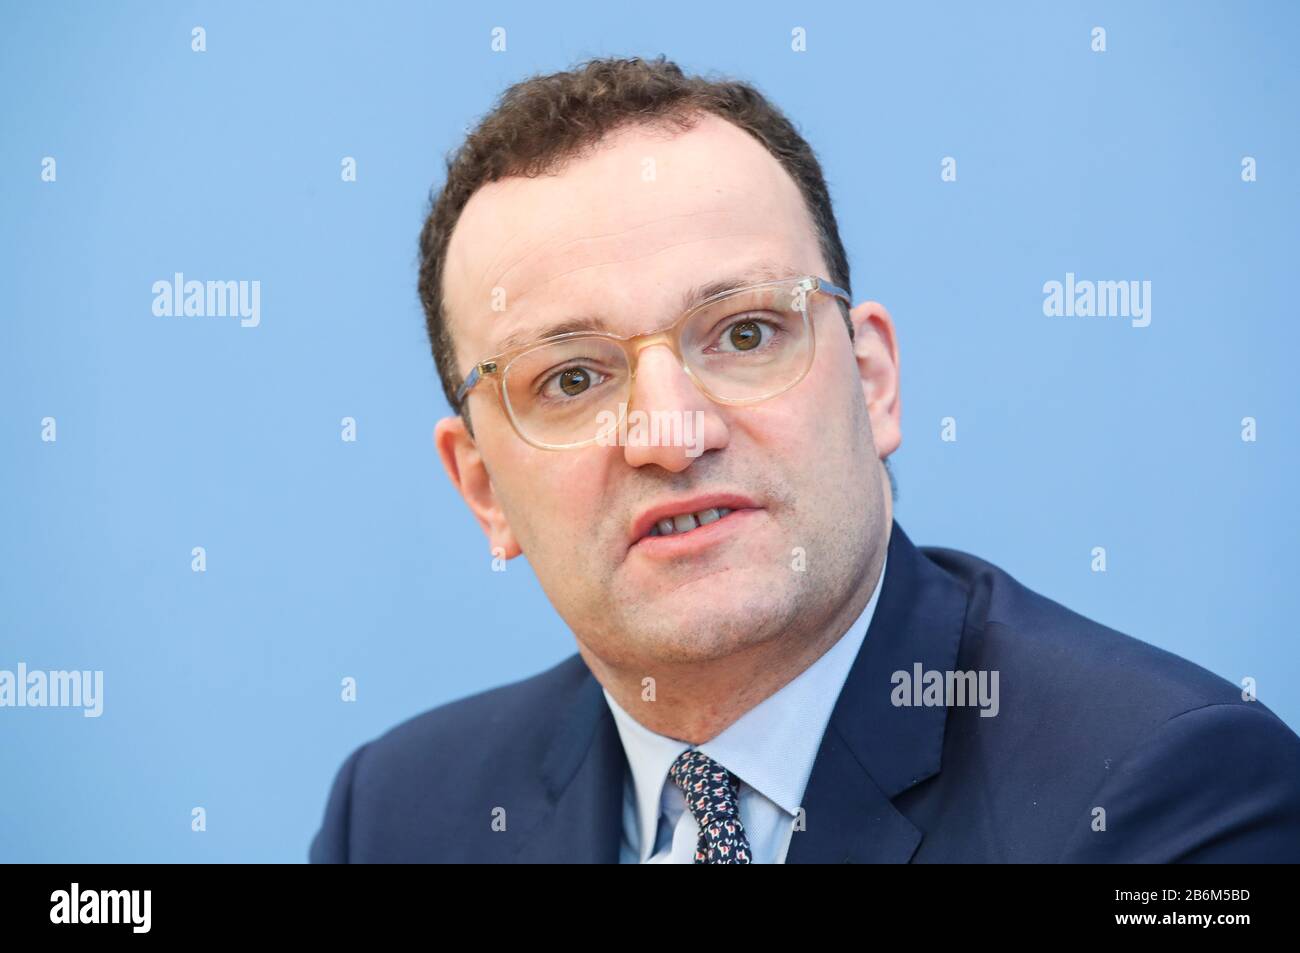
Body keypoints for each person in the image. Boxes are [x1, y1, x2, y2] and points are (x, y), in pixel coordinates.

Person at [309, 55, 1300, 863]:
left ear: (871, 383)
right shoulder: (397, 816)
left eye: (742, 334)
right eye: (571, 378)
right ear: (482, 486)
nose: (670, 433)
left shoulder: (1163, 793)